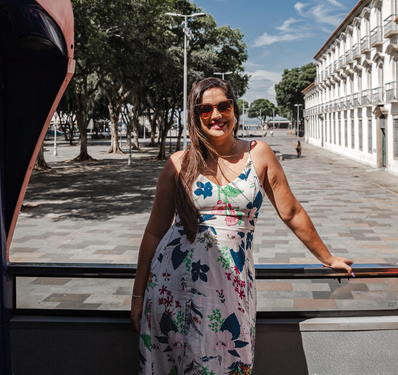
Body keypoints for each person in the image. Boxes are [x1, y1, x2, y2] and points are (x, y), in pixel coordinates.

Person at [131, 77, 352, 374]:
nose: (216, 115)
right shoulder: (178, 163)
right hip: (173, 287)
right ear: (195, 117)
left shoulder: (258, 154)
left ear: (235, 109)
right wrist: (137, 296)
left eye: (223, 106)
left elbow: (292, 212)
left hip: (229, 289)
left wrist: (327, 258)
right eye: (205, 109)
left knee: (227, 361)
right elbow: (155, 231)